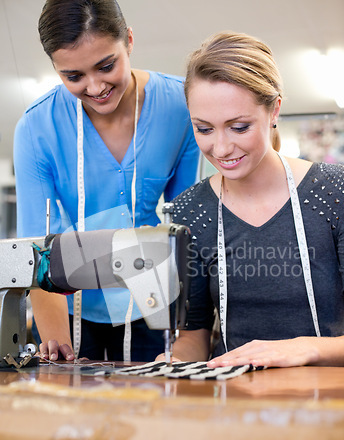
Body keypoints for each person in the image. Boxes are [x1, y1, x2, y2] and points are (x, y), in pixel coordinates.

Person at [13, 0, 199, 362]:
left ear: (128, 40)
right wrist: (56, 343)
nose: (95, 87)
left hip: (152, 297)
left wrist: (189, 335)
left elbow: (185, 222)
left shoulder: (181, 105)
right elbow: (35, 246)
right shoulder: (36, 128)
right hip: (65, 305)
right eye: (73, 76)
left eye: (106, 65)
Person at [159, 31, 344, 368]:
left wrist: (306, 348)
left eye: (239, 127)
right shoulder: (190, 211)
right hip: (236, 402)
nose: (221, 148)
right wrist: (173, 361)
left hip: (328, 400)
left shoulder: (333, 193)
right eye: (204, 129)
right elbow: (194, 335)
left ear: (274, 109)